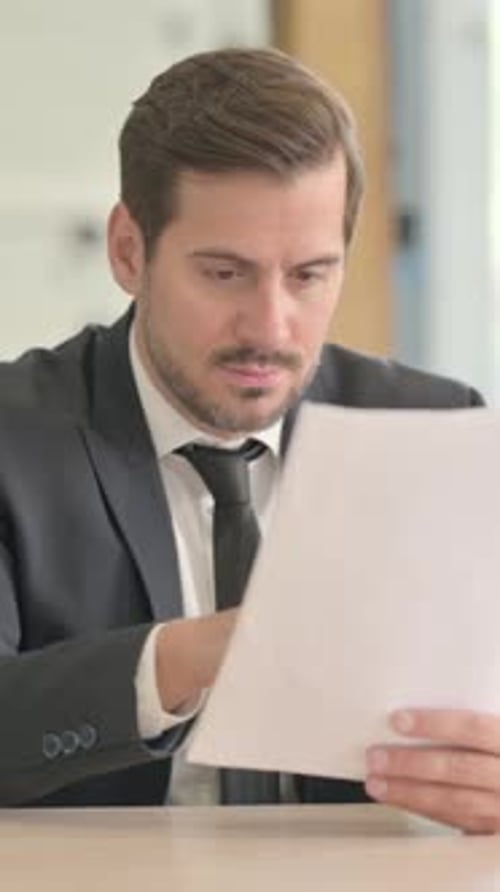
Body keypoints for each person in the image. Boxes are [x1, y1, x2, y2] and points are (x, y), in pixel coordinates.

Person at [0, 46, 497, 833]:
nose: (270, 329)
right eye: (225, 274)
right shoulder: (13, 438)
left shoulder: (433, 428)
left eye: (308, 275)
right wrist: (200, 655)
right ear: (130, 251)